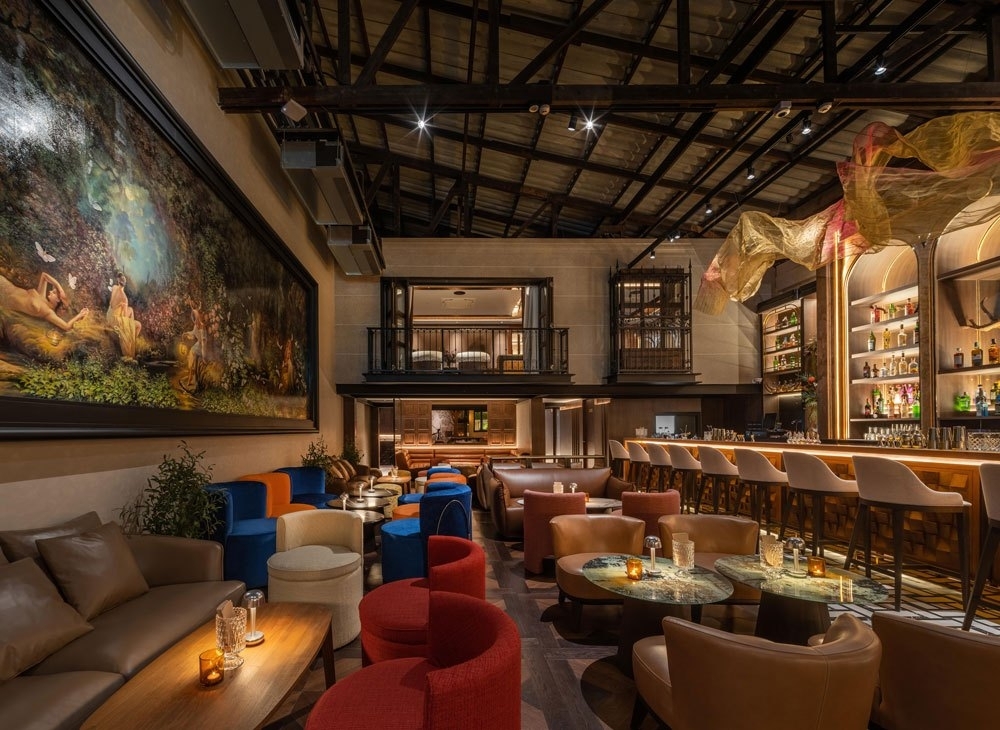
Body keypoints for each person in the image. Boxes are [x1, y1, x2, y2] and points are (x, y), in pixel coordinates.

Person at [0, 271, 89, 331]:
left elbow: (66, 327)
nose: (50, 291)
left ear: (58, 300)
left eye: (54, 292)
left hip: (4, 299)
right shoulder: (42, 295)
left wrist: (80, 315)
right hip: (6, 285)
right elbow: (44, 275)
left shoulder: (48, 313)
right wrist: (59, 288)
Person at [106, 271, 141, 357]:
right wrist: (122, 306)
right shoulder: (124, 298)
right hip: (116, 320)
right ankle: (132, 340)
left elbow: (111, 304)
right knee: (139, 325)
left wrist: (119, 306)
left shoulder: (114, 287)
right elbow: (125, 317)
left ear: (118, 281)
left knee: (131, 309)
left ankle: (131, 336)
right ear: (125, 283)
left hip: (109, 316)